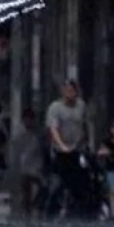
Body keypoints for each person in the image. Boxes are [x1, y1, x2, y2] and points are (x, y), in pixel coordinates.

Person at [45, 79, 90, 218]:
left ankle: (79, 209)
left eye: (73, 90)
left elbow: (85, 126)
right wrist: (61, 146)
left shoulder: (81, 106)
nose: (70, 93)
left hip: (77, 150)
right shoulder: (55, 108)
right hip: (61, 152)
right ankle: (51, 209)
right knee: (58, 182)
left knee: (80, 182)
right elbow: (53, 129)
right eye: (67, 90)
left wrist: (84, 143)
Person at [10, 108, 46, 219]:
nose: (28, 122)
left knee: (42, 187)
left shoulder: (38, 134)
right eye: (26, 120)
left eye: (30, 120)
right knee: (26, 192)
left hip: (36, 167)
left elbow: (42, 150)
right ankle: (26, 211)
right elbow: (15, 152)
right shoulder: (19, 134)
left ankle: (35, 207)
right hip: (24, 167)